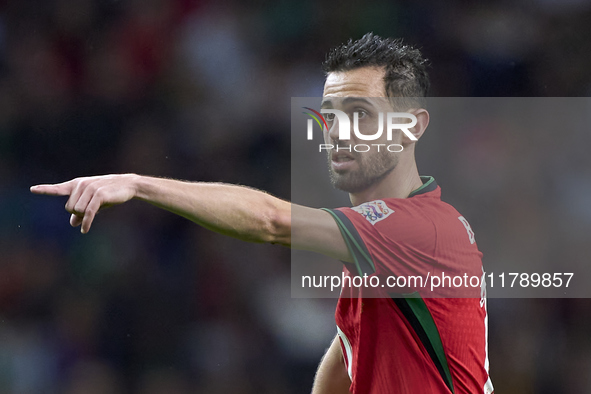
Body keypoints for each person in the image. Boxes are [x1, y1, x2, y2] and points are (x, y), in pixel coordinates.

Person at [31, 33, 493, 393]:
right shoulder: (378, 253)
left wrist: (138, 184)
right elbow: (347, 356)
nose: (339, 131)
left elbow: (271, 221)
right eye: (330, 114)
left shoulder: (420, 229)